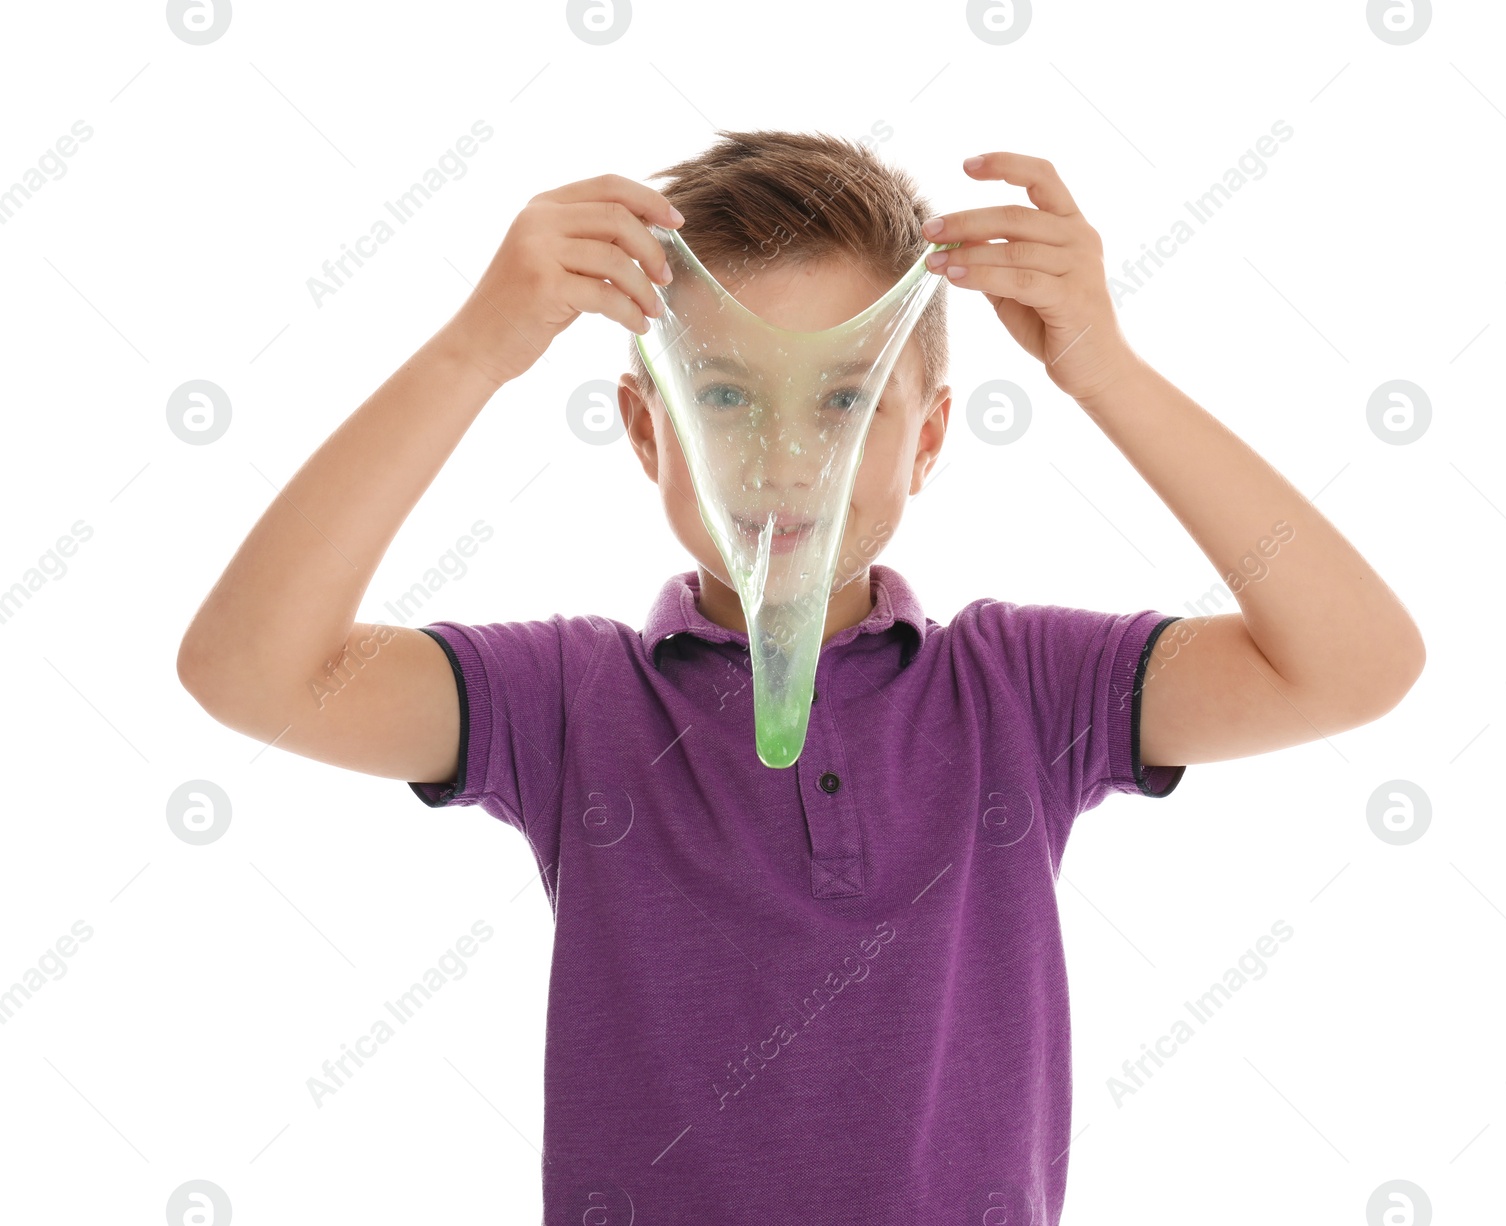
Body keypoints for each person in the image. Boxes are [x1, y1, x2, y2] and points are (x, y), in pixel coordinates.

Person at [177, 129, 1425, 1225]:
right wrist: (471, 353)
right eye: (724, 396)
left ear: (929, 437)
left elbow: (1355, 664)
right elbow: (248, 672)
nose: (783, 458)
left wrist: (1102, 366)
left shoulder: (1022, 691)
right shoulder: (569, 703)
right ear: (646, 429)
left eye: (841, 402)